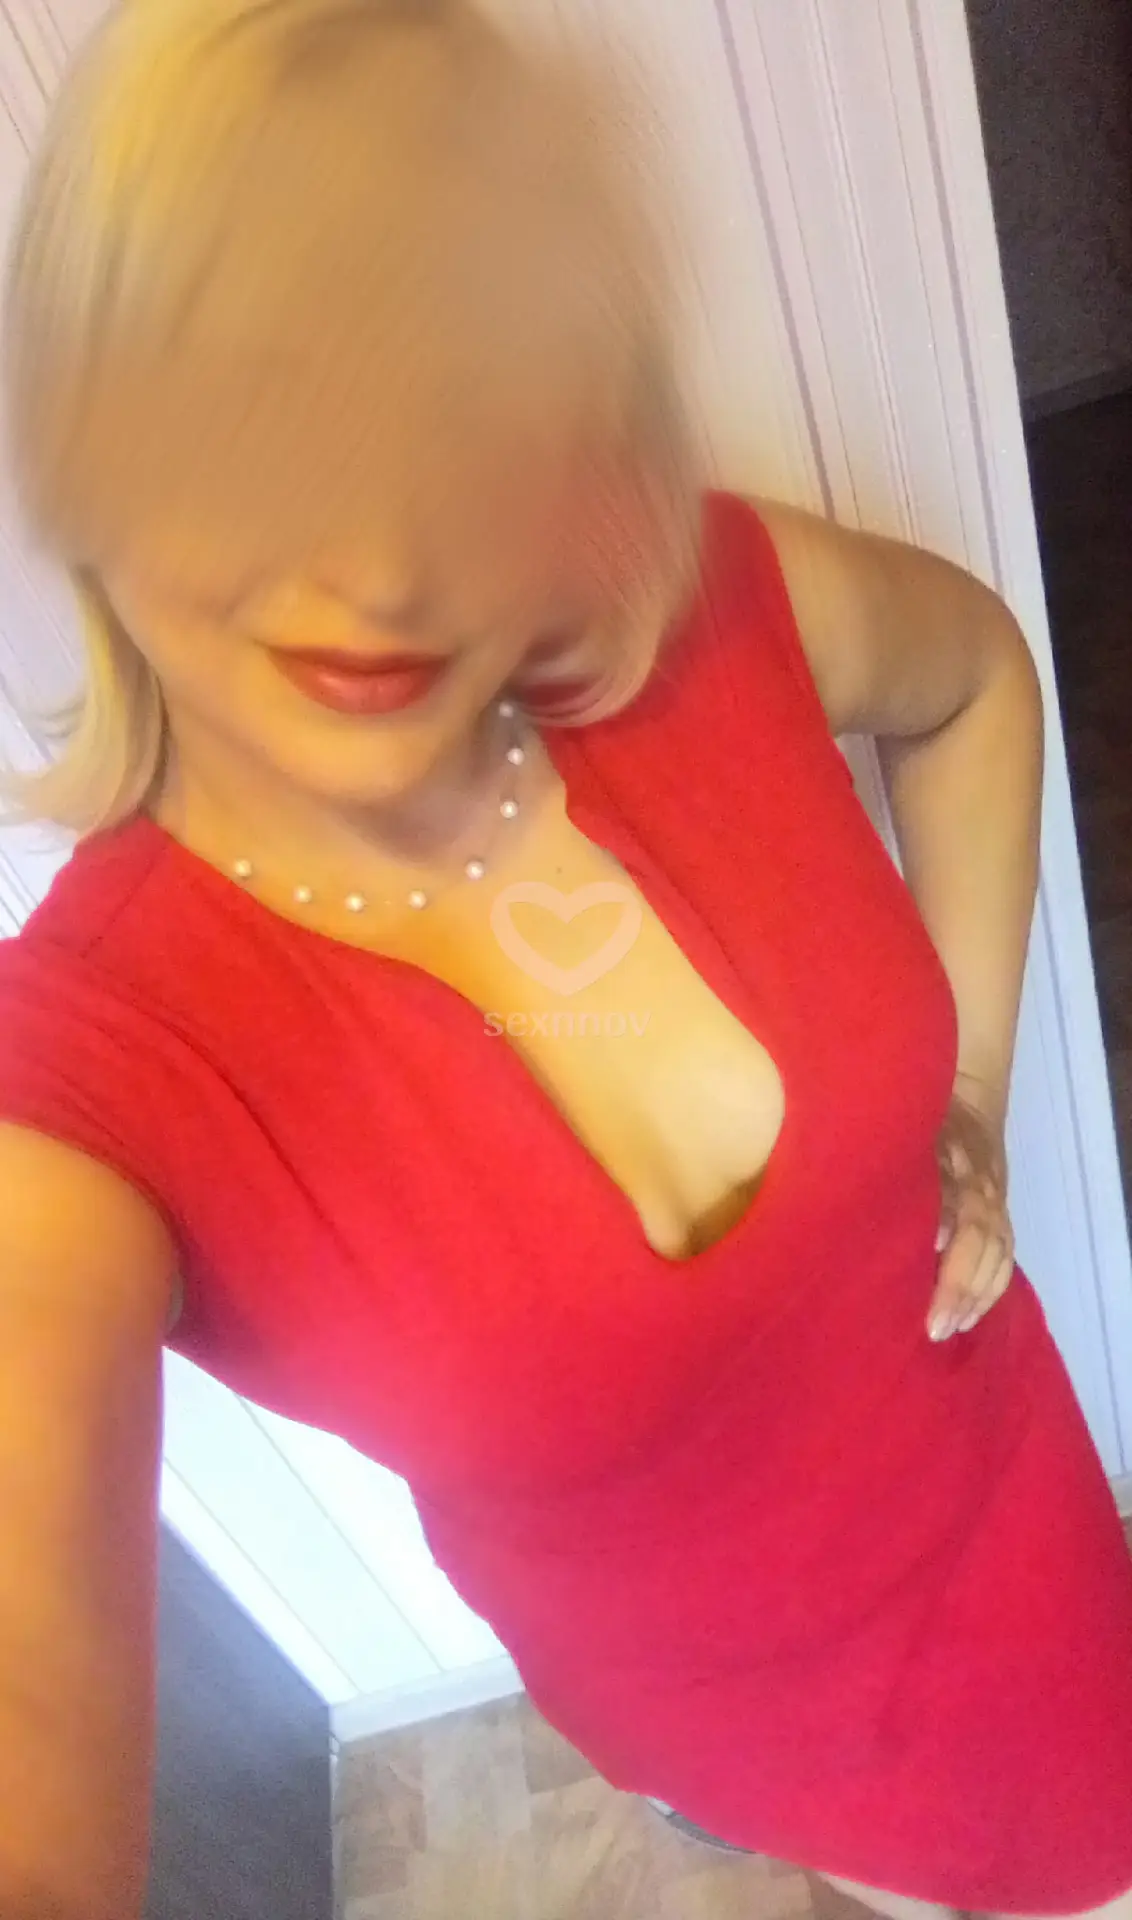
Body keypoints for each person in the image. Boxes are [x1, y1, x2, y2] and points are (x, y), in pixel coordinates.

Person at [0, 2, 1129, 1917]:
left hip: (1010, 1521)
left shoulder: (686, 611)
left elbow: (972, 686)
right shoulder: (87, 1092)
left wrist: (967, 1088)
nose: (379, 562)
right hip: (706, 1712)